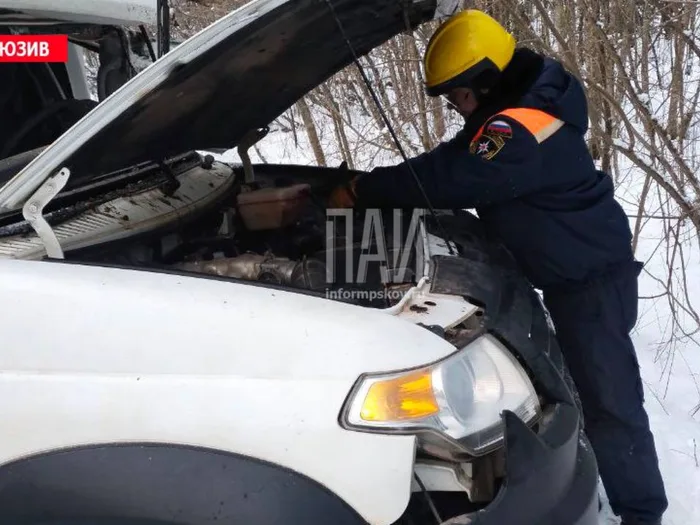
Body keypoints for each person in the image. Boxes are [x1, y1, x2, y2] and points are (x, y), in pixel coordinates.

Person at [328, 9, 668, 525]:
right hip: (571, 274)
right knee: (585, 389)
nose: (456, 107)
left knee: (611, 403)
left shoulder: (522, 128)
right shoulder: (520, 109)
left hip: (590, 284)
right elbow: (460, 155)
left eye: (458, 94)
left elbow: (455, 174)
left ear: (485, 80)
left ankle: (641, 513)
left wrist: (365, 190)